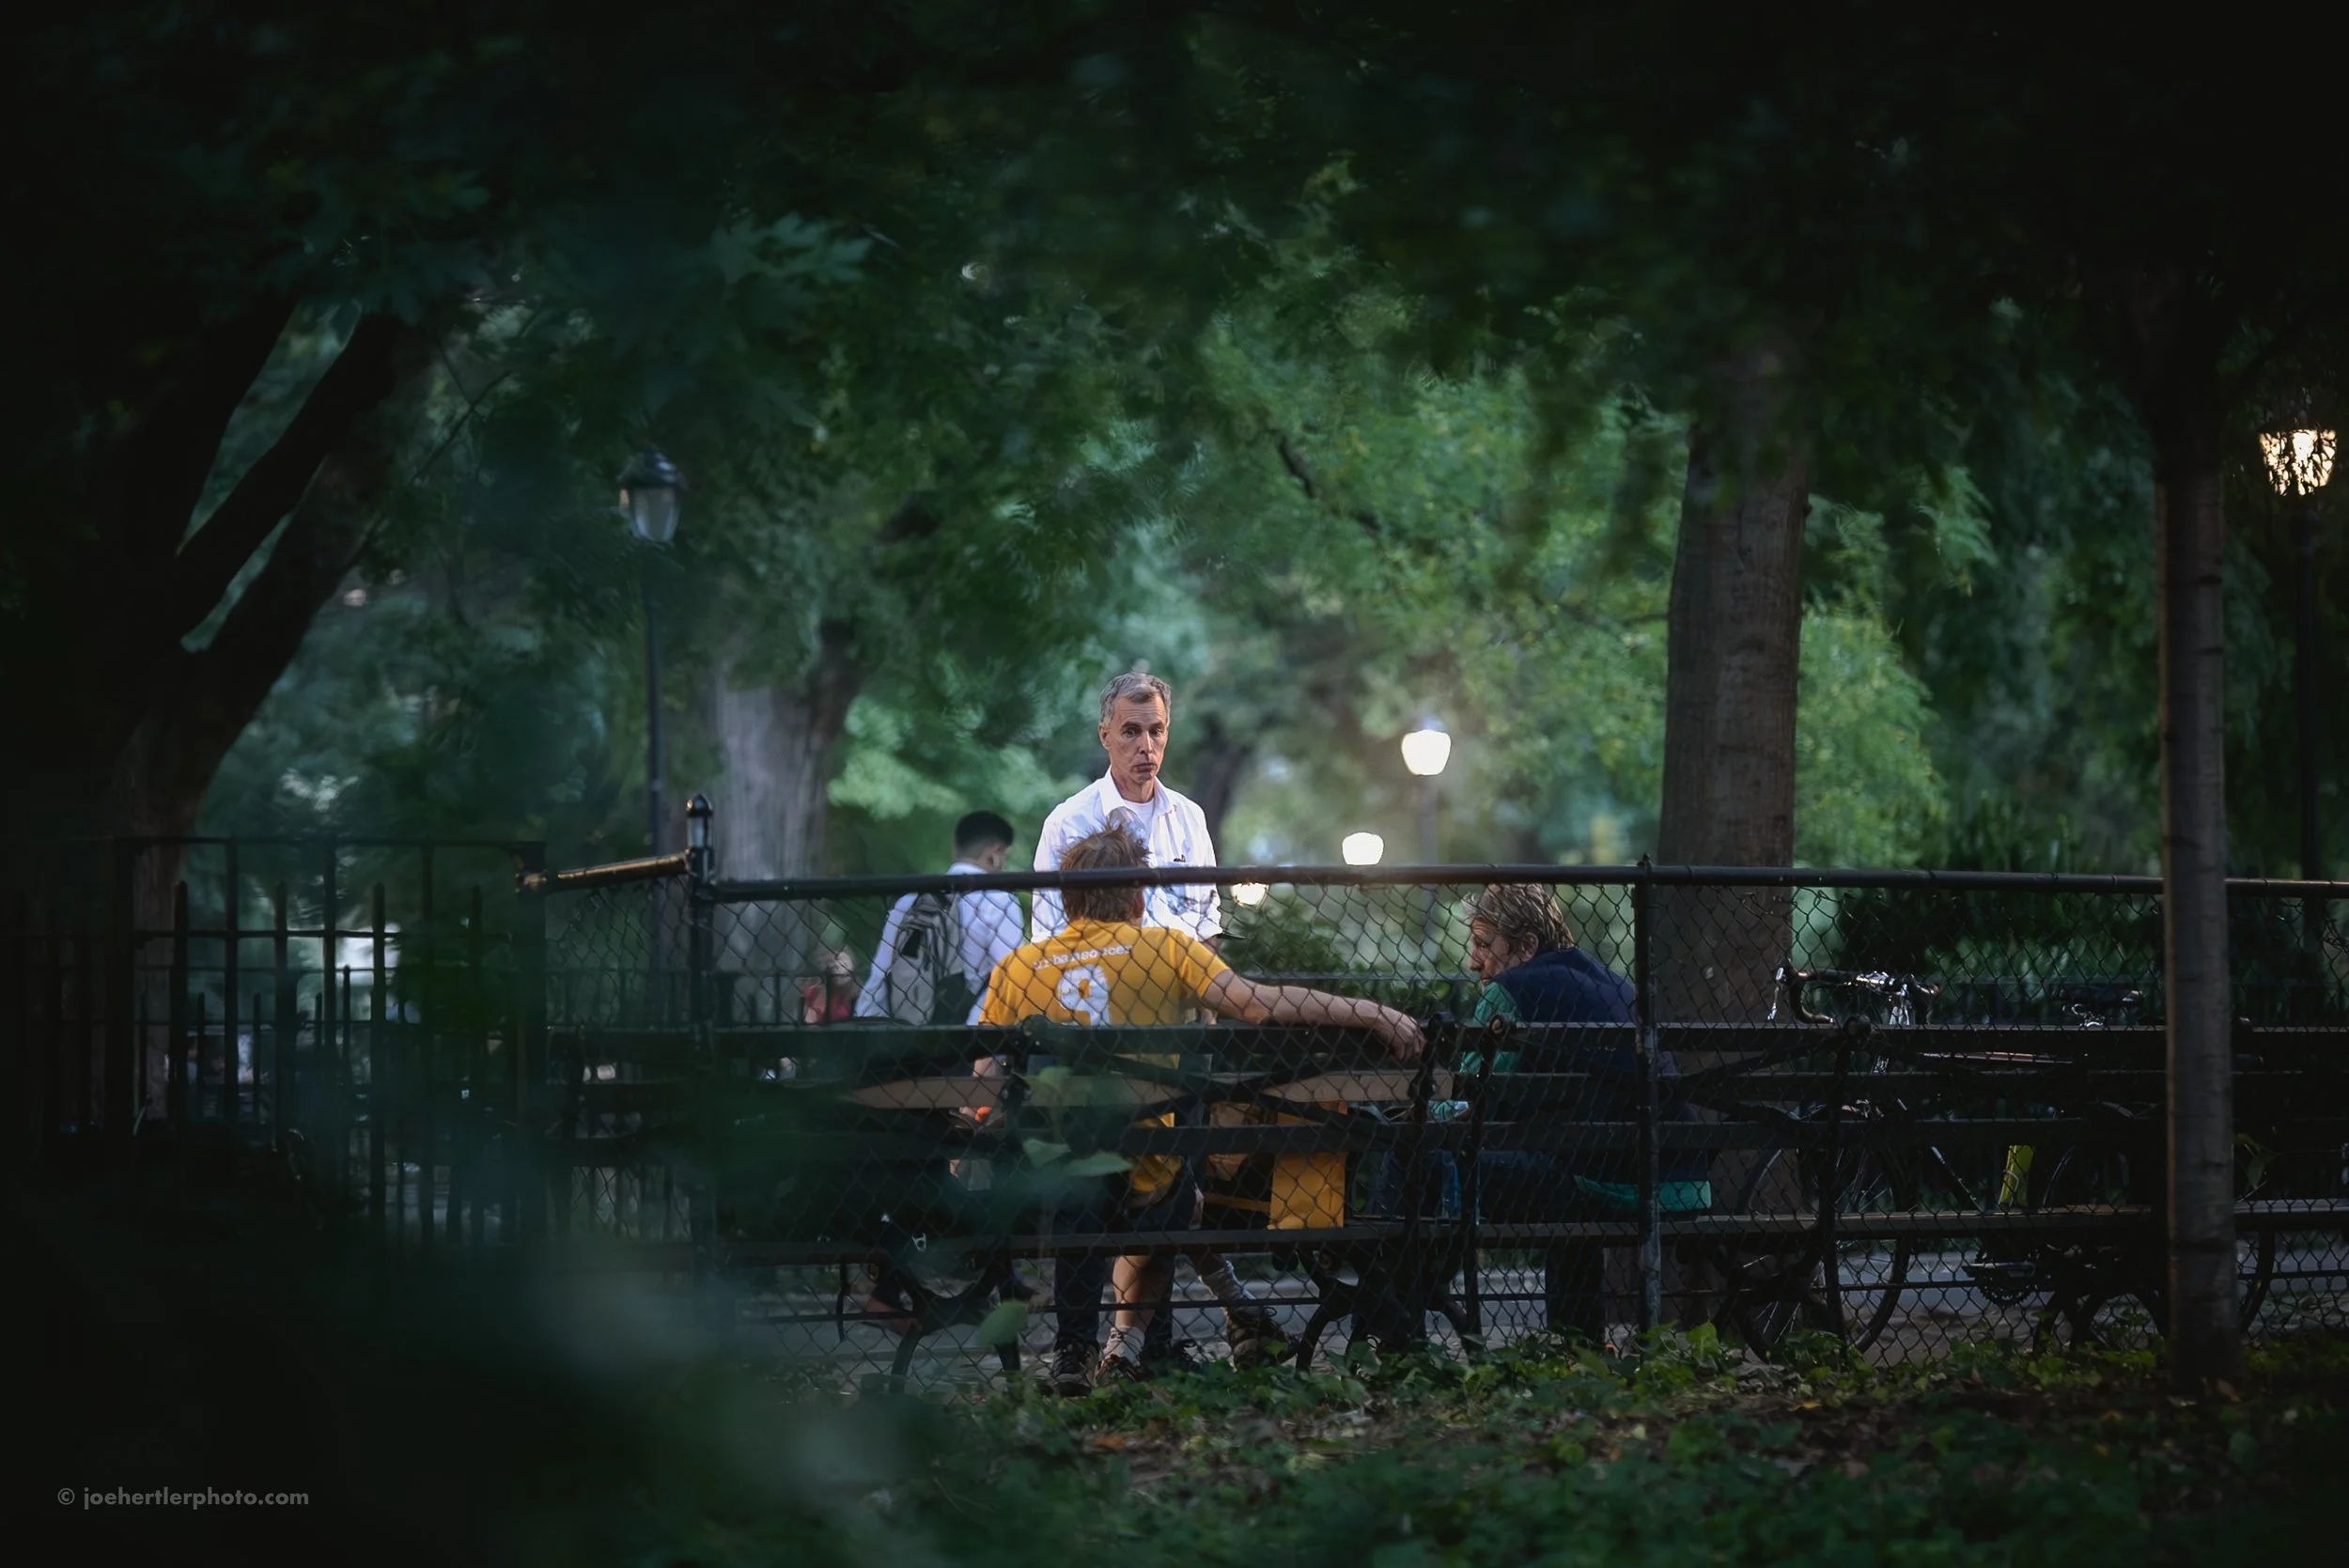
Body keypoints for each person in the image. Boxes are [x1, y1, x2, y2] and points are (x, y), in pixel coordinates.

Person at [983, 823, 1423, 1392]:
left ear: (1066, 899)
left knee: (1092, 1178)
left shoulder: (1017, 967)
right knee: (1177, 1196)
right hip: (1148, 1176)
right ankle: (1129, 1346)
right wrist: (1372, 1012)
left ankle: (1074, 1347)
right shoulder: (1167, 949)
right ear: (1140, 896)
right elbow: (1259, 1005)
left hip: (1050, 1174)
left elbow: (986, 1080)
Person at [1446, 884, 1709, 1343]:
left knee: (1430, 1159)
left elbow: (1471, 1097)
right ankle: (1579, 1344)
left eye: (1484, 945)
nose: (1473, 961)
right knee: (1566, 1173)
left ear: (1527, 945)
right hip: (1676, 1179)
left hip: (1603, 1183)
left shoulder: (1511, 990)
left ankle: (1395, 1320)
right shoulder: (1616, 984)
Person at [1031, 671, 1220, 943]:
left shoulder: (1189, 817)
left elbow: (1208, 921)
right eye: (1131, 732)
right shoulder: (1068, 822)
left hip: (1182, 980)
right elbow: (1048, 933)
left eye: (1156, 731)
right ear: (1105, 736)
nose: (1146, 746)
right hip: (1098, 981)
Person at [852, 810, 1024, 1026]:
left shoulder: (910, 900)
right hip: (967, 1037)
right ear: (996, 853)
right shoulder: (999, 902)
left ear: (956, 848)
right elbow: (1009, 978)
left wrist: (867, 1027)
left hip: (904, 1035)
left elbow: (881, 973)